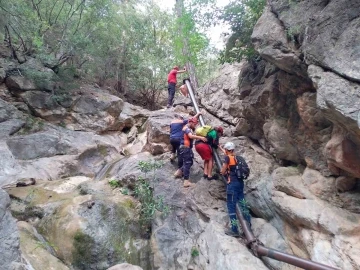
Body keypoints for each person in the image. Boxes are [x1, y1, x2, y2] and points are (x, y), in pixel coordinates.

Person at [220, 141, 251, 238]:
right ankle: (248, 225)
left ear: (226, 150)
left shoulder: (227, 158)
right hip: (240, 183)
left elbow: (223, 171)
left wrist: (222, 171)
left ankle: (234, 230)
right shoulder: (239, 158)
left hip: (232, 184)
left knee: (231, 206)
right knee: (243, 203)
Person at [174, 117, 207, 187]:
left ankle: (179, 172)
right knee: (188, 163)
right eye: (194, 124)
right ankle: (186, 181)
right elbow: (190, 136)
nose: (195, 126)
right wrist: (200, 137)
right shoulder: (187, 129)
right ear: (191, 122)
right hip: (185, 147)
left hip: (184, 147)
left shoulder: (186, 128)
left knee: (190, 161)